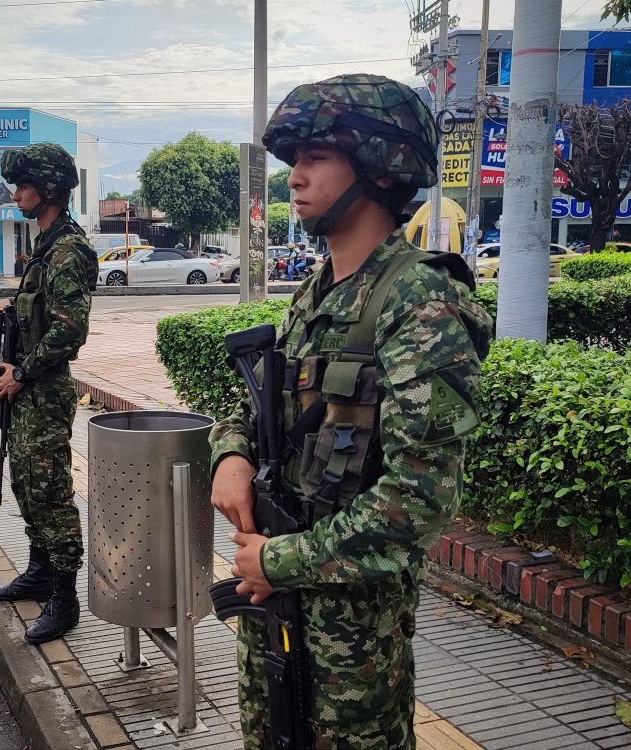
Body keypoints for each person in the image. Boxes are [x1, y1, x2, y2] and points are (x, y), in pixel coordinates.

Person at [209, 73, 492, 749]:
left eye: (316, 158)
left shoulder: (421, 302)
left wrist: (282, 560)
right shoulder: (317, 293)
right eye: (294, 160)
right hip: (274, 607)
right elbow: (258, 406)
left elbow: (418, 501)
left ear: (377, 168)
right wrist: (231, 454)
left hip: (353, 647)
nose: (295, 178)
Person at [0, 143, 99, 644]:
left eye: (23, 186)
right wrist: (11, 311)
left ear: (48, 189)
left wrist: (23, 372)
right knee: (26, 484)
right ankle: (39, 572)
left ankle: (64, 596)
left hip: (43, 390)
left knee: (50, 492)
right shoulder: (45, 245)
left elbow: (70, 331)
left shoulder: (67, 250)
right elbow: (43, 313)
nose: (16, 195)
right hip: (27, 389)